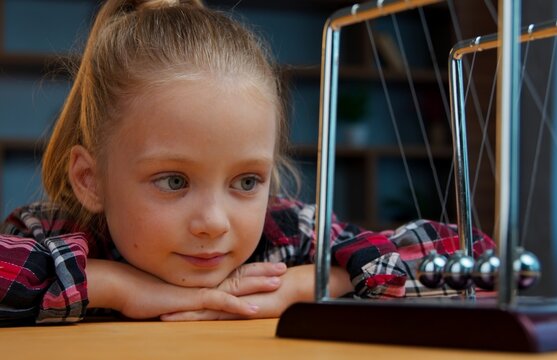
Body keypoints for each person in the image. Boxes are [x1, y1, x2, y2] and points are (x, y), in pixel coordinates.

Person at [0, 0, 494, 326]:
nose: (214, 223)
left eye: (246, 180)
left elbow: (479, 261)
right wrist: (116, 286)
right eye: (173, 180)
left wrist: (315, 282)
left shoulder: (288, 236)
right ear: (90, 180)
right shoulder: (50, 232)